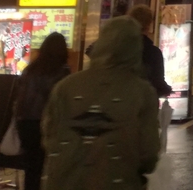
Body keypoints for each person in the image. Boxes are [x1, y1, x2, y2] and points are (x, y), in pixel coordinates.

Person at [41, 17, 160, 190]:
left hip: (64, 182)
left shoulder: (65, 86)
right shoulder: (142, 92)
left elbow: (49, 137)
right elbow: (148, 154)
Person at [16, 33, 70, 190]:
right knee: (49, 168)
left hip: (25, 123)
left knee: (31, 168)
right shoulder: (62, 73)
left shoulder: (30, 70)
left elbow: (20, 98)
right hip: (47, 125)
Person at [128, 4, 172, 98]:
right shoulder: (153, 52)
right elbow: (157, 82)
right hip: (144, 102)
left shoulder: (119, 47)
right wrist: (168, 90)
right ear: (149, 25)